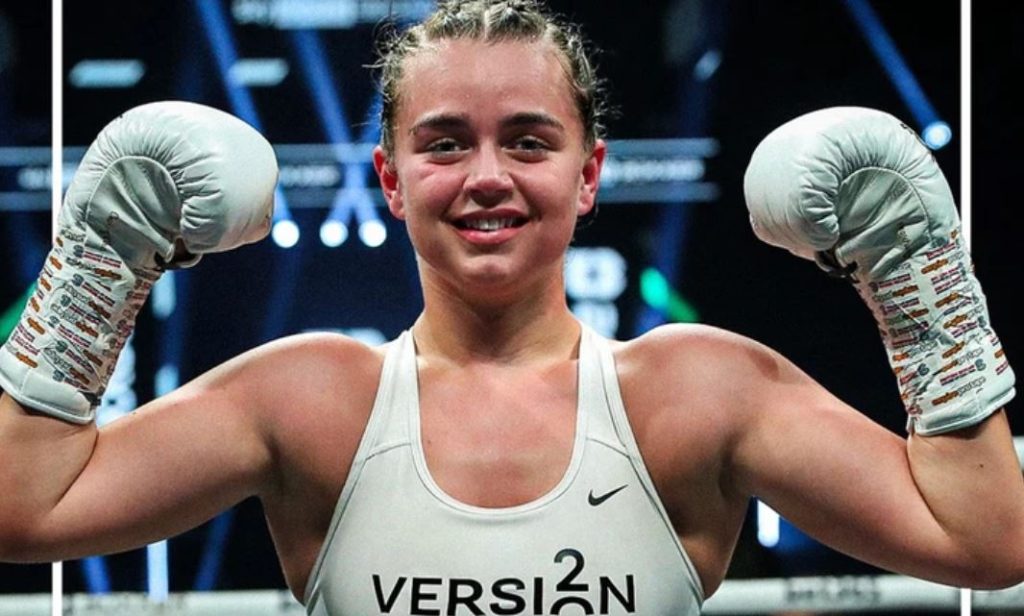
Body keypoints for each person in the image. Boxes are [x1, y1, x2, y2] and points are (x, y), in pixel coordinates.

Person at [1, 1, 1023, 614]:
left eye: (528, 141)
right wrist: (101, 263)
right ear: (392, 181)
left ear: (589, 175)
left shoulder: (696, 392)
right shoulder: (310, 399)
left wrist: (916, 272)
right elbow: (24, 509)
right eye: (446, 143)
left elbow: (986, 540)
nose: (486, 175)